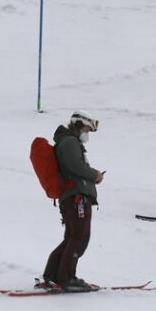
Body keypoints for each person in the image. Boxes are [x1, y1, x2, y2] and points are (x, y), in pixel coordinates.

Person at [42, 110, 104, 291]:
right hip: (77, 198)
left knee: (72, 237)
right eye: (86, 129)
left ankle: (53, 274)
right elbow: (75, 166)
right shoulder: (69, 142)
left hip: (73, 197)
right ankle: (66, 278)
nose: (87, 134)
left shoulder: (68, 141)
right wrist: (95, 175)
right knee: (79, 237)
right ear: (78, 125)